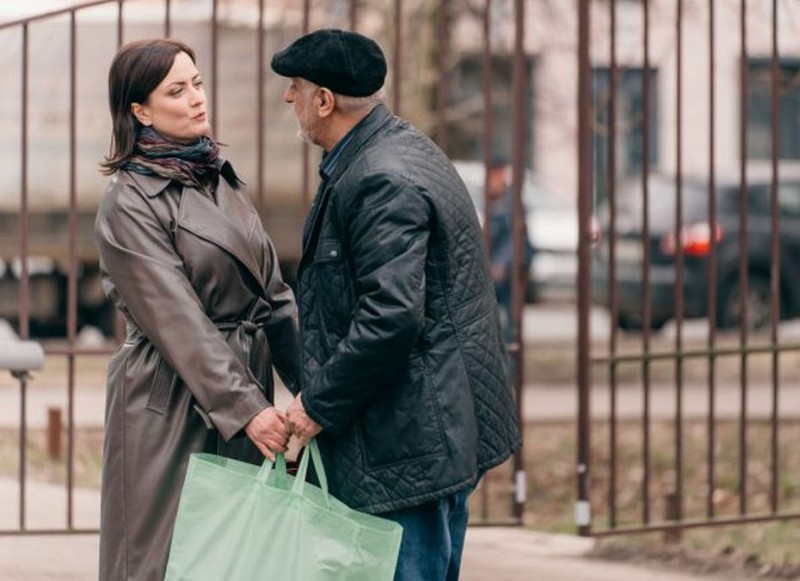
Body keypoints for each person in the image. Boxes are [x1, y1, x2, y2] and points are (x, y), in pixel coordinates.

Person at [271, 28, 521, 580]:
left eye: (295, 86)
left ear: (324, 100)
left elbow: (390, 317)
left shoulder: (380, 177)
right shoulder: (394, 149)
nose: (289, 98)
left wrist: (317, 406)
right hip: (423, 431)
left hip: (408, 442)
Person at [94, 38, 300, 580]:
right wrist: (248, 409)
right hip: (167, 402)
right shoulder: (128, 202)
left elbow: (274, 297)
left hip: (238, 388)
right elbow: (176, 319)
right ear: (140, 111)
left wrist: (318, 392)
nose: (196, 99)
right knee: (160, 562)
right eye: (177, 90)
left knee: (232, 560)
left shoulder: (220, 178)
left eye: (198, 84)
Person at [484, 154, 534, 345]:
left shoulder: (511, 199)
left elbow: (516, 235)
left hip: (512, 266)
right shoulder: (491, 198)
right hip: (497, 267)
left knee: (512, 318)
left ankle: (512, 362)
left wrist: (501, 263)